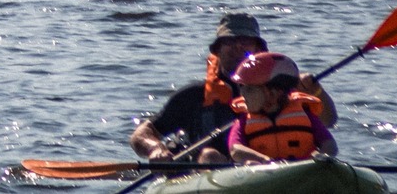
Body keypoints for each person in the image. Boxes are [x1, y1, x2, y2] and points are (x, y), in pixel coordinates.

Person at [130, 13, 334, 166]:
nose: (238, 47)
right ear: (217, 50)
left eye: (245, 41)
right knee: (209, 156)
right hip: (212, 173)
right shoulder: (193, 96)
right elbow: (142, 133)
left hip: (274, 170)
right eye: (230, 41)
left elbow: (328, 120)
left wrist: (316, 91)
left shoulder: (279, 92)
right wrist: (155, 149)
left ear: (259, 51)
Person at [225, 53, 337, 164]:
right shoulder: (244, 121)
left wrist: (321, 156)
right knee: (250, 163)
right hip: (264, 170)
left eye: (249, 89)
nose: (242, 94)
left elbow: (330, 144)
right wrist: (264, 160)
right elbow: (235, 150)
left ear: (274, 93)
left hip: (304, 169)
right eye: (242, 88)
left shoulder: (305, 115)